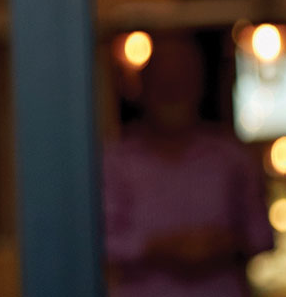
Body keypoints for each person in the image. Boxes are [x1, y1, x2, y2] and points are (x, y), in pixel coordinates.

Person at [103, 32, 274, 297]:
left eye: (182, 78)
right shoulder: (115, 162)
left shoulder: (231, 158)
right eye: (163, 80)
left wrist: (225, 244)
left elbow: (263, 236)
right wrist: (157, 248)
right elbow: (95, 242)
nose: (173, 88)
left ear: (199, 84)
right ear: (142, 86)